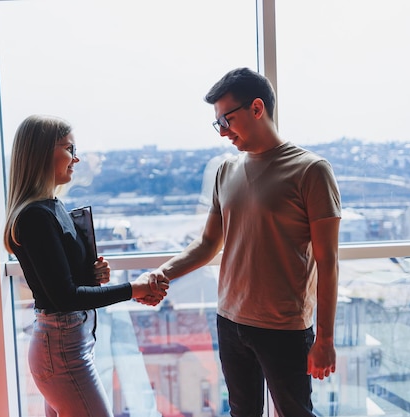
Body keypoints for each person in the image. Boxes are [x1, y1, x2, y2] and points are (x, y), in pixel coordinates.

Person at [140, 68, 342, 417]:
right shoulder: (225, 171)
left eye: (226, 120)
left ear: (257, 108)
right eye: (218, 124)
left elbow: (328, 262)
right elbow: (207, 244)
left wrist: (325, 339)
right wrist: (161, 273)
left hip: (284, 327)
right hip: (230, 320)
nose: (223, 132)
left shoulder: (311, 171)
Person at [3, 114, 168, 417]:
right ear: (42, 153)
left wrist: (91, 276)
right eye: (69, 148)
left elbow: (60, 286)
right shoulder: (37, 217)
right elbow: (64, 298)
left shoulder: (50, 208)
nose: (76, 159)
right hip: (63, 351)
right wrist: (134, 289)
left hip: (67, 347)